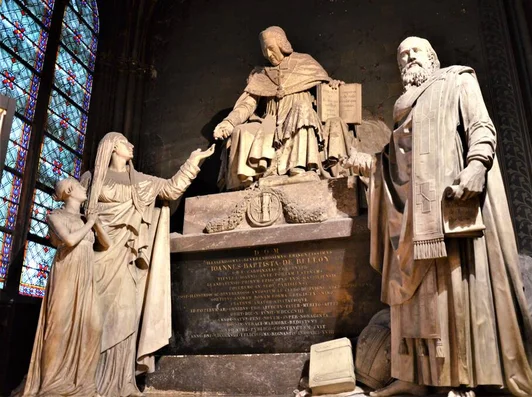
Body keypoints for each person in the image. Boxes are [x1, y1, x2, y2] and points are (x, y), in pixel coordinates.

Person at [344, 37, 532, 397]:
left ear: (432, 58)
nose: (408, 58)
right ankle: (414, 378)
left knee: (454, 295)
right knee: (413, 302)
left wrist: (478, 164)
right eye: (401, 54)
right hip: (410, 218)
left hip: (449, 206)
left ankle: (460, 379)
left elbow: (481, 126)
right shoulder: (402, 107)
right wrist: (370, 165)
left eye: (415, 51)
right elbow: (396, 162)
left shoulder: (457, 80)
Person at [81, 132, 214, 396]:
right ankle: (88, 377)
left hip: (128, 258)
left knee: (125, 315)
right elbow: (78, 210)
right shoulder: (90, 179)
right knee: (93, 318)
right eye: (125, 142)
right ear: (112, 147)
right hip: (98, 255)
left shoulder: (140, 182)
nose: (131, 146)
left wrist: (192, 162)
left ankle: (117, 381)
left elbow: (171, 189)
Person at [213, 26, 347, 190]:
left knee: (301, 107)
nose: (268, 54)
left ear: (282, 44)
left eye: (271, 48)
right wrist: (229, 122)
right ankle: (243, 184)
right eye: (264, 51)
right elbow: (247, 104)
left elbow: (325, 89)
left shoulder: (304, 62)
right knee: (240, 131)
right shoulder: (260, 74)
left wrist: (333, 85)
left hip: (300, 115)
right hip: (271, 122)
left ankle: (299, 167)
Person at [22, 177, 109, 396]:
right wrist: (89, 223)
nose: (83, 188)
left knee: (93, 326)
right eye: (80, 186)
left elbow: (106, 244)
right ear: (69, 190)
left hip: (87, 276)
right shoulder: (55, 216)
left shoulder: (84, 218)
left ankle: (84, 384)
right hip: (66, 274)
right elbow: (69, 241)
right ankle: (51, 385)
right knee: (58, 326)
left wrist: (95, 222)